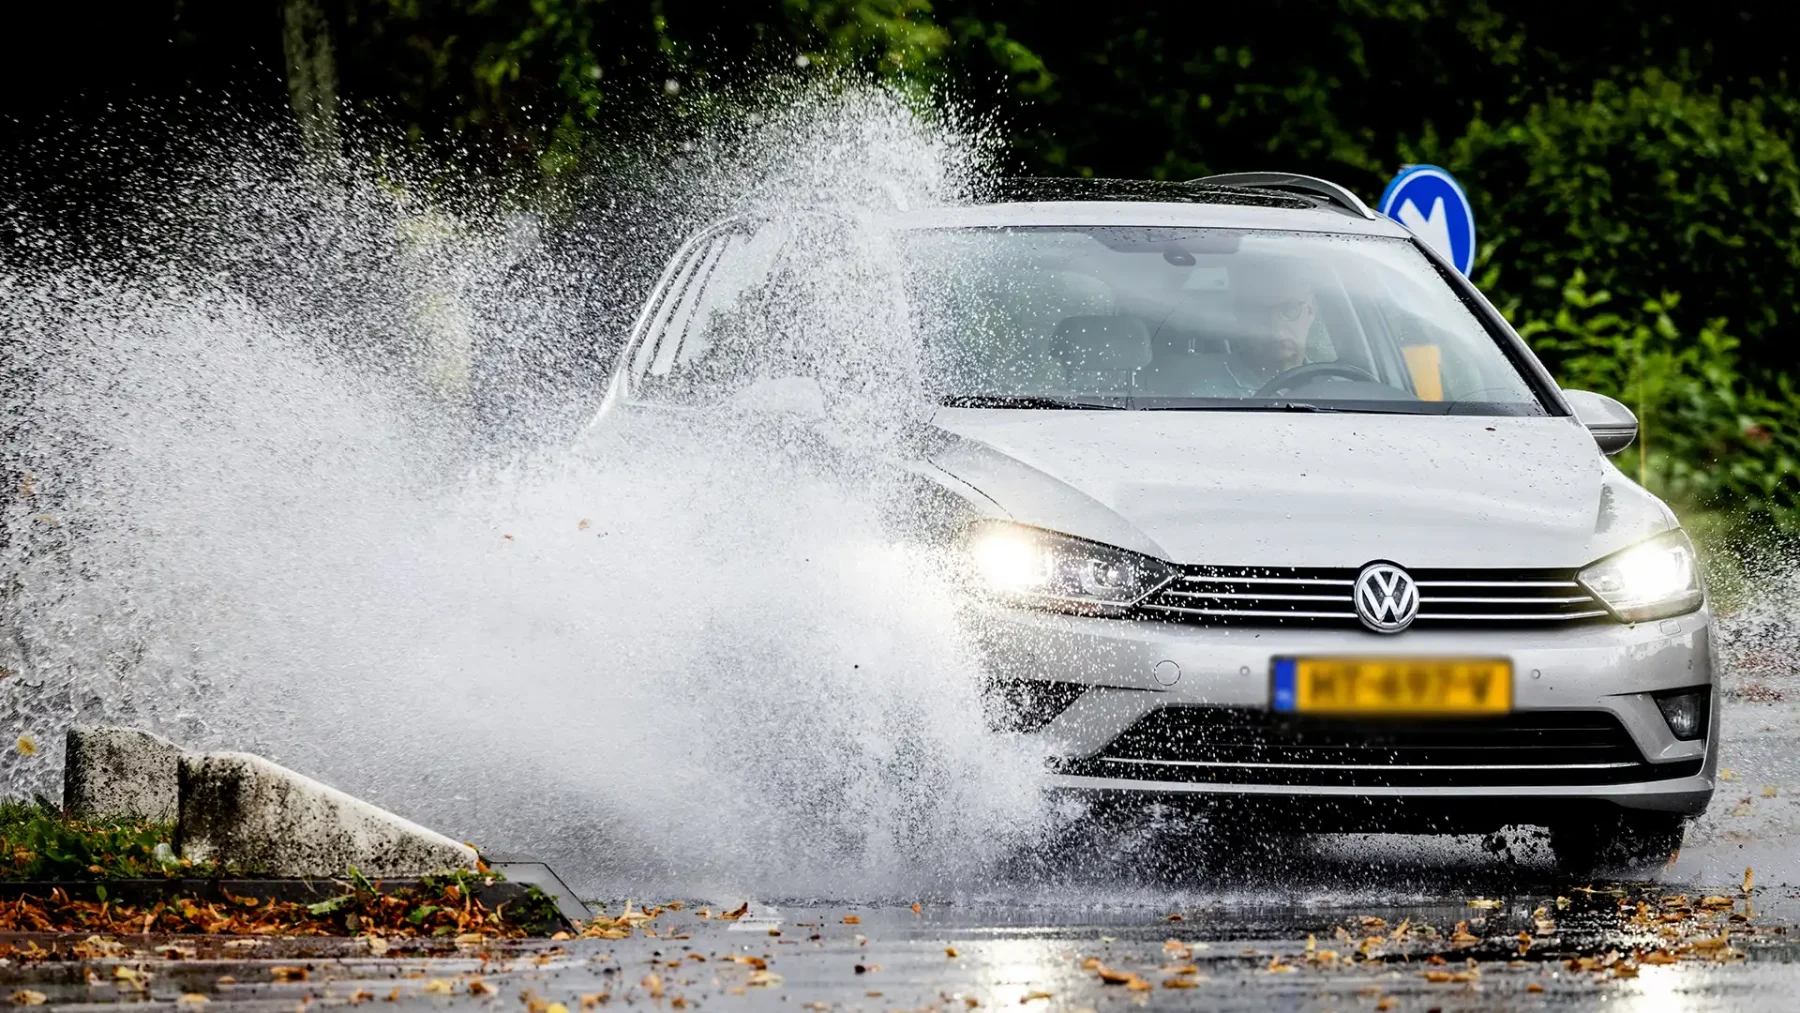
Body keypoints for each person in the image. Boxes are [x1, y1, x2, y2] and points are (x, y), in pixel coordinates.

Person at [1221, 262, 1321, 392]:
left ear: (1311, 309)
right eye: (1260, 313)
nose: (1277, 332)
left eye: (1289, 309)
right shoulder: (1206, 399)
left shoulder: (1341, 388)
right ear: (1241, 315)